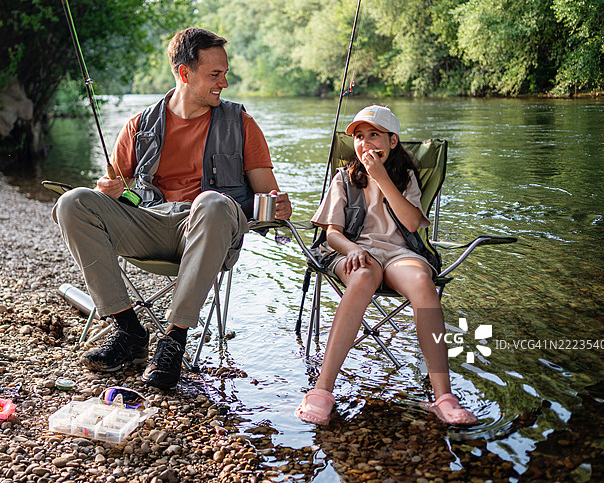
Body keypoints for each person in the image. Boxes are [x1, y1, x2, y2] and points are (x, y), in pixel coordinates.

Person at [53, 27, 292, 390]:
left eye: (225, 73)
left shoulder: (241, 124)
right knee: (72, 202)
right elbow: (113, 185)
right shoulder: (139, 126)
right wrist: (111, 189)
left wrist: (280, 206)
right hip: (150, 223)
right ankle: (129, 332)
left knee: (210, 202)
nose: (224, 83)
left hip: (209, 230)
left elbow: (267, 196)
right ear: (184, 73)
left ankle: (174, 342)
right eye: (215, 74)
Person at [294, 105, 477, 426]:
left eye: (374, 135)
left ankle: (443, 397)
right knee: (363, 275)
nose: (365, 143)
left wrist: (381, 177)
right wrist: (351, 249)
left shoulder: (406, 178)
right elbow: (332, 233)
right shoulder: (344, 178)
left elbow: (410, 224)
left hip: (398, 252)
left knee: (422, 283)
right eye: (359, 137)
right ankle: (322, 390)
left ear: (393, 141)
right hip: (353, 252)